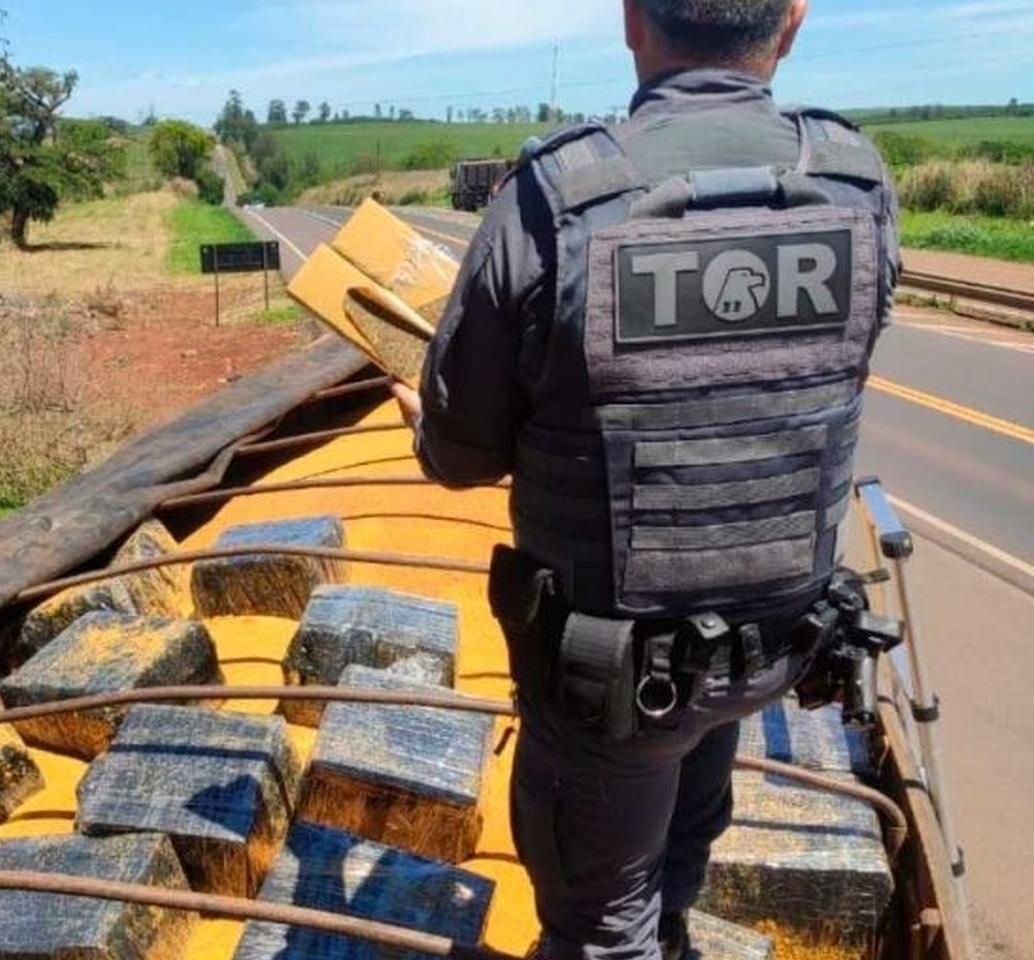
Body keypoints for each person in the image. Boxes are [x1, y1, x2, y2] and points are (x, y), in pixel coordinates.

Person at [391, 2, 901, 959]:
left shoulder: (554, 201)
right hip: (773, 646)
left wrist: (433, 425)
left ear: (633, 19)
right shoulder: (856, 184)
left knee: (600, 932)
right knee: (679, 846)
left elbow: (461, 455)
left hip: (611, 684)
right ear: (791, 22)